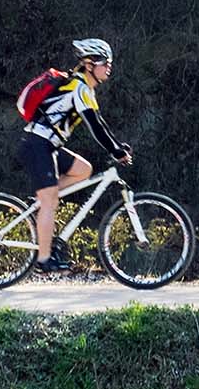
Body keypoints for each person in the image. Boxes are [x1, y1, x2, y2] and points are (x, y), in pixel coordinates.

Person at [19, 36, 130, 273]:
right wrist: (116, 150)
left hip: (47, 145)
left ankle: (41, 202)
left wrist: (117, 146)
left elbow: (99, 122)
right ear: (89, 64)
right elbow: (95, 127)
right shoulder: (78, 87)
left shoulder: (84, 88)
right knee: (51, 200)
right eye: (105, 62)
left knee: (83, 170)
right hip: (37, 144)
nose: (109, 67)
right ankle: (43, 259)